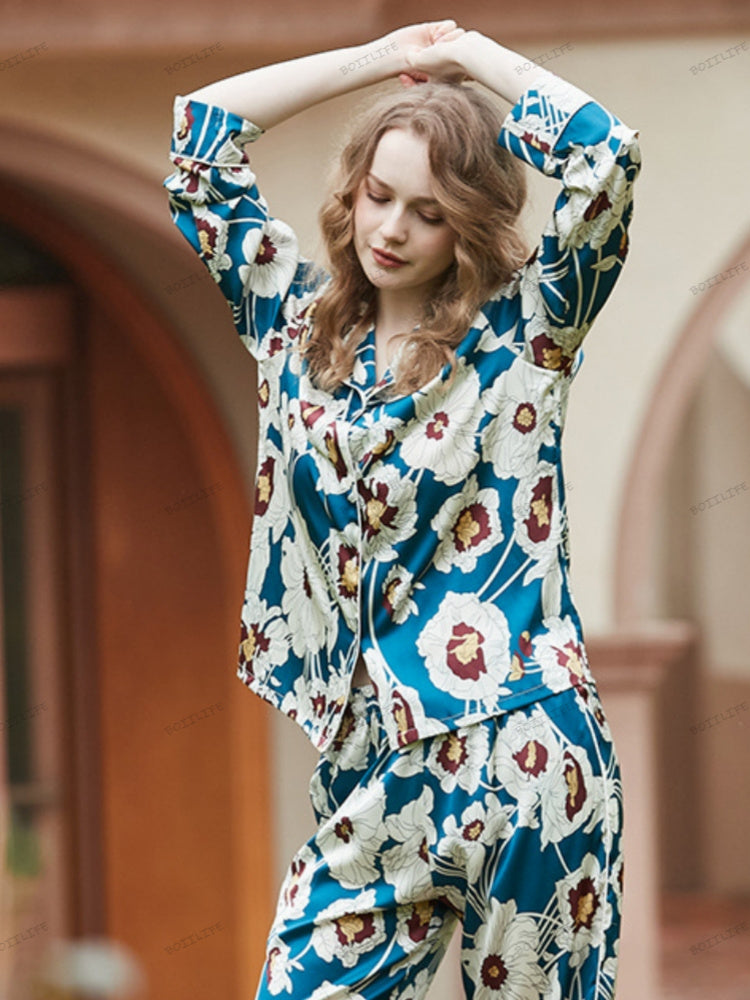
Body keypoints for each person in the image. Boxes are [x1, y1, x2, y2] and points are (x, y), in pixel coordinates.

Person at [163, 19, 641, 999]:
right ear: (352, 190)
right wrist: (383, 62)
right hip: (377, 774)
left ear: (466, 225)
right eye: (379, 195)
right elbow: (202, 136)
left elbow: (606, 158)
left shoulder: (528, 331)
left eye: (427, 212)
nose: (390, 229)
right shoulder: (292, 328)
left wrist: (469, 58)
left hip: (528, 753)